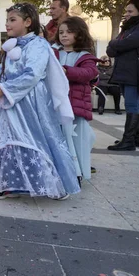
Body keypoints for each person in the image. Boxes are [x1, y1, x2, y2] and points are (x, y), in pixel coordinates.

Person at [0, 3, 80, 200]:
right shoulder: (11, 47)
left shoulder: (38, 45)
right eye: (6, 20)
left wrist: (5, 89)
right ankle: (9, 183)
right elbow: (2, 73)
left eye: (12, 20)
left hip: (33, 103)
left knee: (39, 139)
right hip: (12, 103)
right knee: (8, 139)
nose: (7, 24)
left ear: (27, 22)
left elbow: (32, 74)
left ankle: (53, 184)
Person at [106, 0, 139, 151]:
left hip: (135, 73)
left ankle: (128, 141)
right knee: (134, 104)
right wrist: (116, 45)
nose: (126, 14)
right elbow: (111, 51)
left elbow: (125, 43)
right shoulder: (129, 27)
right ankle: (137, 138)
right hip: (126, 72)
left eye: (130, 11)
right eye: (126, 11)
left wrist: (114, 43)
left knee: (132, 105)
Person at [54, 16, 99, 183]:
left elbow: (88, 73)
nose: (64, 35)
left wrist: (66, 72)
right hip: (56, 106)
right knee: (58, 140)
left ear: (79, 34)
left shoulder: (86, 56)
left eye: (69, 32)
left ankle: (77, 172)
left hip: (75, 107)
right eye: (61, 32)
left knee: (77, 141)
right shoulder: (53, 52)